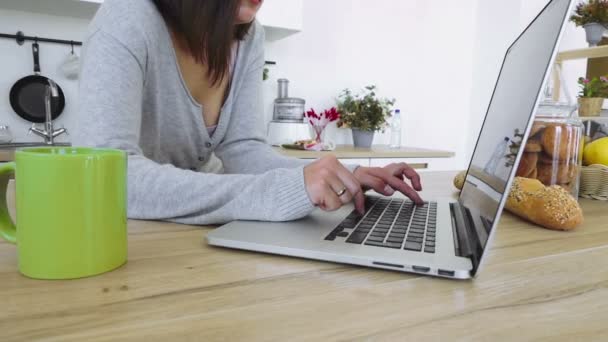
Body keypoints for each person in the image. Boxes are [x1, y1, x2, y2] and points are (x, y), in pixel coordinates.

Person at [75, 0, 423, 225]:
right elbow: (108, 176)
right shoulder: (126, 20)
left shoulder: (246, 36)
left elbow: (244, 151)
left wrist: (347, 175)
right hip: (128, 238)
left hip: (197, 237)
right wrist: (275, 194)